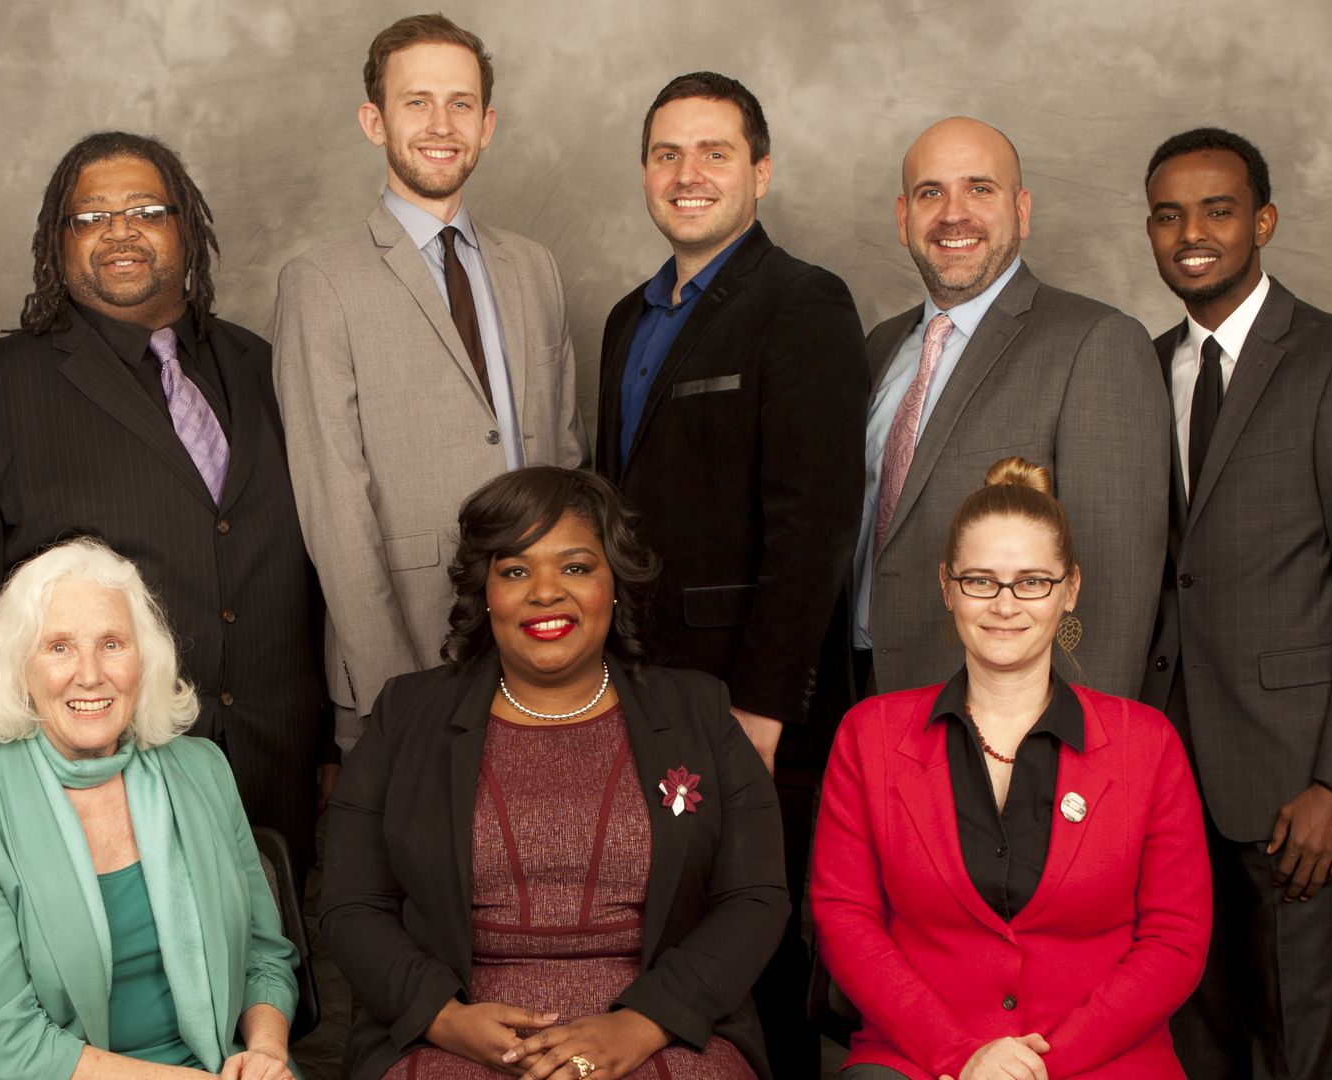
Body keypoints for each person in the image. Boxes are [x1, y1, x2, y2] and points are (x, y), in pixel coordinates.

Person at [0, 131, 326, 874]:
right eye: (90, 217)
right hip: (88, 798)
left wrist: (327, 751)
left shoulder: (266, 366)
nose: (119, 231)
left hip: (276, 784)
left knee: (269, 985)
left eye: (146, 210)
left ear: (185, 228)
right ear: (56, 243)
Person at [322, 467, 788, 1080]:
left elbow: (754, 899)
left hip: (662, 1031)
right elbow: (352, 906)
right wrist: (444, 1019)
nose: (546, 592)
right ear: (484, 591)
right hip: (455, 1034)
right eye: (515, 570)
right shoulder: (404, 717)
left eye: (575, 567)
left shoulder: (698, 712)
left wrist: (640, 1026)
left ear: (614, 583)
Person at [592, 70, 868, 1079]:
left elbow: (815, 529)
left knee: (757, 946)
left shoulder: (803, 303)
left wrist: (762, 711)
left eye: (714, 152)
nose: (687, 173)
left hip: (755, 714)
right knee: (666, 941)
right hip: (642, 692)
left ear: (760, 171)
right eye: (667, 153)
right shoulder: (629, 317)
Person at [1138, 127, 1332, 1080]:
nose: (1192, 234)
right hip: (1169, 772)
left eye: (1217, 210)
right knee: (1189, 1035)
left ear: (1262, 221)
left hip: (1293, 781)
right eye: (1169, 214)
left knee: (1294, 1048)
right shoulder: (1144, 367)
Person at [811, 458, 1212, 1080]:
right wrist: (961, 1057)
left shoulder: (1147, 746)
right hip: (920, 1061)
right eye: (980, 581)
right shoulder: (869, 736)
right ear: (947, 587)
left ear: (1070, 588)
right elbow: (845, 920)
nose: (1004, 605)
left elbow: (1176, 941)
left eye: (1031, 582)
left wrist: (1034, 1069)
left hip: (1104, 1063)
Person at [272, 13, 585, 756]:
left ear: (488, 124)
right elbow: (334, 512)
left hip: (545, 657)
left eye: (462, 103)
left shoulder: (534, 268)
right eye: (417, 102)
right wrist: (395, 691)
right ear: (373, 121)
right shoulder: (319, 282)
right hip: (408, 657)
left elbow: (567, 463)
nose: (441, 124)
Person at [0, 538, 298, 1078]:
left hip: (214, 1063)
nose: (90, 674)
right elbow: (5, 1046)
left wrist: (266, 1053)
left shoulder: (204, 770)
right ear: (21, 669)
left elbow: (264, 954)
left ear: (146, 659)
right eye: (59, 647)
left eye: (112, 643)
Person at [854, 117, 1168, 701]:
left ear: (1021, 210)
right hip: (862, 703)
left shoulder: (1097, 342)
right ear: (903, 219)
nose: (953, 214)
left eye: (980, 188)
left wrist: (1076, 750)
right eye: (931, 193)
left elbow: (1114, 586)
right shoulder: (880, 347)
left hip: (1002, 719)